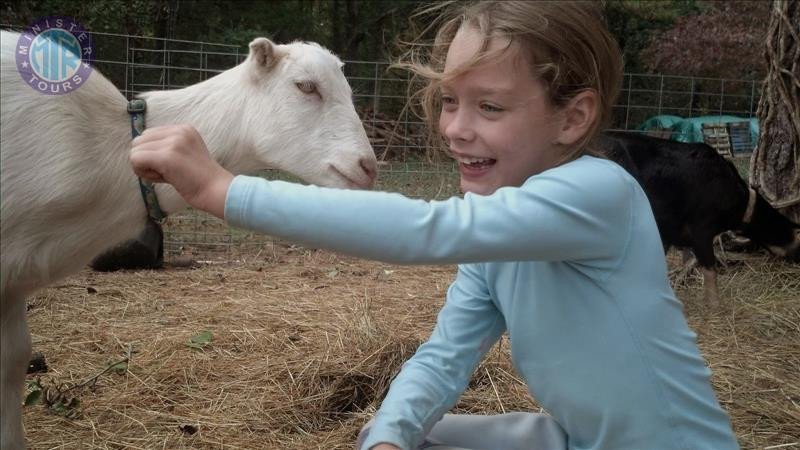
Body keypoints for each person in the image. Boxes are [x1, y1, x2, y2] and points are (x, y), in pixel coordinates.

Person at [129, 2, 739, 449]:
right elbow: (446, 356)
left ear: (573, 118)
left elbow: (426, 229)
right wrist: (389, 438)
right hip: (574, 439)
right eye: (451, 101)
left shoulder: (598, 192)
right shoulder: (497, 243)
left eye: (490, 107)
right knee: (398, 431)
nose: (455, 128)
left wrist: (222, 190)